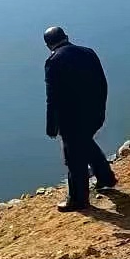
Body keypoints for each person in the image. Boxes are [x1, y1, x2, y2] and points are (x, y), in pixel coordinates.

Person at [43, 26, 116, 212]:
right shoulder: (88, 52)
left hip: (72, 119)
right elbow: (102, 82)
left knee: (74, 158)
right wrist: (100, 108)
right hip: (95, 113)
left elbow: (53, 97)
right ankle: (106, 178)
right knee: (85, 143)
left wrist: (51, 125)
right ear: (66, 37)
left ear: (48, 45)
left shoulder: (54, 62)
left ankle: (77, 199)